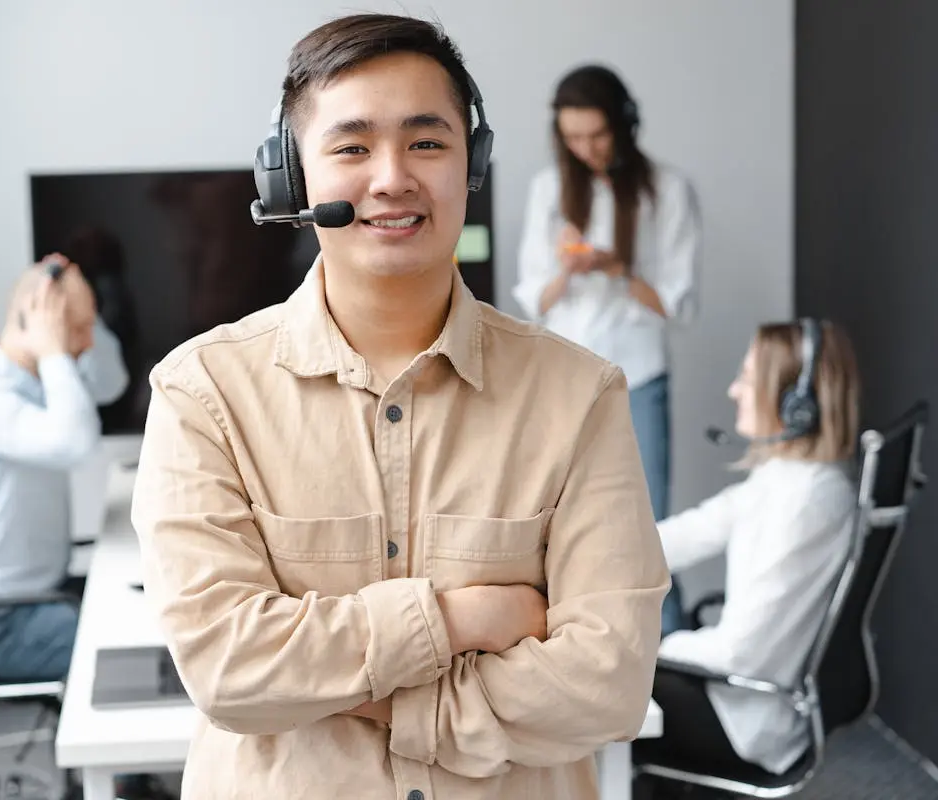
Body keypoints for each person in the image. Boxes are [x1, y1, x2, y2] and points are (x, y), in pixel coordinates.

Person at [131, 13, 669, 799]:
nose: (391, 178)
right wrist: (460, 621)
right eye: (351, 147)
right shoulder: (201, 394)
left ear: (470, 164)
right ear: (291, 178)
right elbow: (227, 669)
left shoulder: (579, 395)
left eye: (426, 141)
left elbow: (609, 681)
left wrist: (365, 694)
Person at [512, 64, 702, 637]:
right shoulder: (549, 189)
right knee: (563, 523)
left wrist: (619, 268)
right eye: (574, 138)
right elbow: (535, 300)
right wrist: (570, 269)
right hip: (564, 376)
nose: (587, 149)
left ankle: (665, 660)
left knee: (649, 522)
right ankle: (578, 644)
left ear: (623, 126)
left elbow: (680, 304)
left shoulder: (667, 190)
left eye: (597, 134)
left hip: (637, 373)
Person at [632, 319, 861, 781]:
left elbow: (740, 653)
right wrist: (588, 550)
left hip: (747, 722)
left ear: (797, 405)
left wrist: (657, 648)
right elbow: (696, 530)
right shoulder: (786, 478)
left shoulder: (808, 502)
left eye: (749, 378)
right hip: (735, 697)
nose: (735, 390)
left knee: (589, 697)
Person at [0, 254, 128, 682]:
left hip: (44, 598)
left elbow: (112, 383)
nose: (87, 341)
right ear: (33, 322)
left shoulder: (34, 381)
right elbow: (76, 444)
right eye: (77, 328)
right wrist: (54, 349)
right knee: (129, 639)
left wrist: (80, 308)